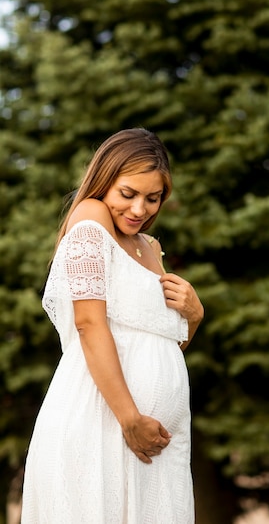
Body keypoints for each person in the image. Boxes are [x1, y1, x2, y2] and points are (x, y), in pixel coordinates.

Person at [21, 128, 204, 524]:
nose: (140, 209)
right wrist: (129, 419)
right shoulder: (90, 218)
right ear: (104, 182)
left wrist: (194, 316)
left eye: (152, 198)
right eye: (128, 193)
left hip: (157, 446)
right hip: (104, 424)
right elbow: (89, 323)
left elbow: (160, 346)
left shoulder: (149, 247)